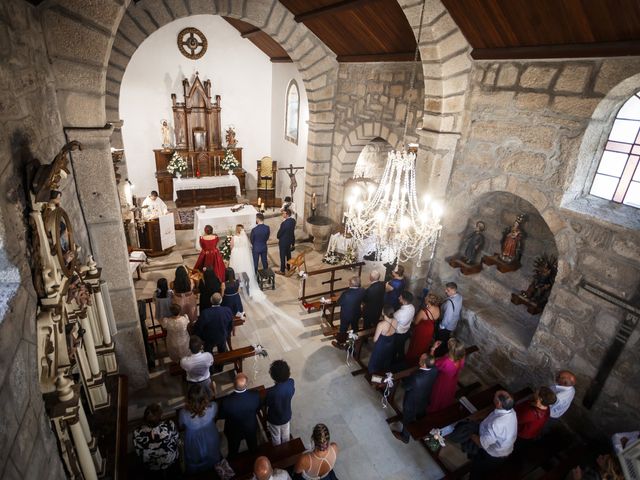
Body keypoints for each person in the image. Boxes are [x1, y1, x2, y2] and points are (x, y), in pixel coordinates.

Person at [469, 390, 517, 479]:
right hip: (504, 450)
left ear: (498, 404)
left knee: (477, 473)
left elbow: (482, 443)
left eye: (494, 396)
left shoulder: (497, 424)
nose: (493, 397)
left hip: (492, 455)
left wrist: (471, 435)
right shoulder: (511, 411)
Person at [391, 353, 439, 443]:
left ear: (424, 364)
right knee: (421, 415)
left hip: (412, 401)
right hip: (424, 398)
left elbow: (405, 386)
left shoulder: (416, 377)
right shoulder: (435, 370)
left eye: (421, 359)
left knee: (407, 418)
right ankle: (422, 432)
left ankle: (405, 437)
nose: (419, 358)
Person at [178, 384, 221, 473]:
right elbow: (214, 417)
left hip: (193, 438)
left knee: (194, 456)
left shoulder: (183, 413)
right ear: (205, 397)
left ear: (189, 399)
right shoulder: (213, 406)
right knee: (211, 451)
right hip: (210, 434)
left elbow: (181, 425)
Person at [219, 373, 261, 459]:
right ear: (246, 385)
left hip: (234, 430)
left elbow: (222, 416)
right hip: (250, 427)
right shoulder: (255, 396)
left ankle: (233, 462)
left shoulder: (226, 401)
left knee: (233, 451)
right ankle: (255, 459)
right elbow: (257, 408)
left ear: (234, 385)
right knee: (253, 447)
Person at [133, 403, 179, 479]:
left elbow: (138, 452)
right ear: (160, 417)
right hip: (170, 460)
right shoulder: (169, 425)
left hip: (152, 466)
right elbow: (176, 438)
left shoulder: (137, 433)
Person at [427, 337, 466, 412]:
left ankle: (434, 410)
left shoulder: (446, 361)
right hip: (452, 380)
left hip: (443, 381)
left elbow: (432, 363)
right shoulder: (462, 357)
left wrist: (433, 348)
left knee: (438, 396)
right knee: (446, 395)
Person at [230, 224, 266, 301]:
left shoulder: (234, 237)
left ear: (236, 230)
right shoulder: (244, 238)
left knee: (236, 269)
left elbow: (231, 246)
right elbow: (248, 246)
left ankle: (238, 284)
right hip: (244, 254)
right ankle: (246, 284)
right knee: (245, 267)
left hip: (236, 254)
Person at [264, 360, 295, 446]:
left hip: (274, 418)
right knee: (286, 433)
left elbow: (267, 403)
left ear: (273, 376)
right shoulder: (291, 382)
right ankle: (286, 448)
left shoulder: (271, 392)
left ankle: (278, 450)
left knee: (275, 436)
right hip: (286, 415)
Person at [405, 293, 440, 367]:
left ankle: (411, 361)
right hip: (430, 329)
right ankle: (422, 359)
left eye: (426, 300)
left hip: (421, 330)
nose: (425, 300)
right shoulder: (437, 309)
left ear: (428, 302)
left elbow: (416, 322)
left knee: (416, 345)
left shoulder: (424, 312)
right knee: (424, 345)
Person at [334, 276, 366, 345]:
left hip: (346, 315)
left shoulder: (346, 294)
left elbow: (339, 303)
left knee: (343, 328)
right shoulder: (362, 290)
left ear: (351, 284)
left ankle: (341, 342)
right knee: (355, 326)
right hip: (356, 313)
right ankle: (355, 341)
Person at [434, 282, 462, 357]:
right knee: (445, 338)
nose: (445, 291)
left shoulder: (450, 303)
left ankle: (437, 354)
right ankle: (442, 350)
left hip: (446, 325)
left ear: (453, 290)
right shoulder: (459, 296)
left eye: (448, 290)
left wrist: (441, 326)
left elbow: (447, 317)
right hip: (453, 324)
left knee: (440, 339)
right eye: (446, 289)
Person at [367, 305, 398, 374]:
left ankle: (373, 372)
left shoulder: (381, 324)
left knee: (377, 357)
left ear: (383, 313)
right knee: (386, 357)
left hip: (382, 343)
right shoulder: (395, 320)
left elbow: (375, 339)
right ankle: (383, 371)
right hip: (391, 341)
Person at [392, 291, 415, 364]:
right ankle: (400, 360)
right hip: (406, 331)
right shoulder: (412, 307)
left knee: (394, 349)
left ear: (404, 301)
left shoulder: (399, 313)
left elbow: (392, 322)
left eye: (400, 297)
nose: (399, 298)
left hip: (398, 334)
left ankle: (395, 364)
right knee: (401, 347)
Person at [276, 208, 296, 275]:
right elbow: (292, 232)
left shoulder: (284, 223)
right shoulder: (293, 221)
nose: (282, 214)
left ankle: (282, 271)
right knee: (288, 254)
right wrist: (293, 243)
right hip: (289, 241)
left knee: (282, 256)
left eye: (283, 213)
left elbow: (279, 234)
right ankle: (288, 267)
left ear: (287, 214)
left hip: (283, 242)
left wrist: (278, 236)